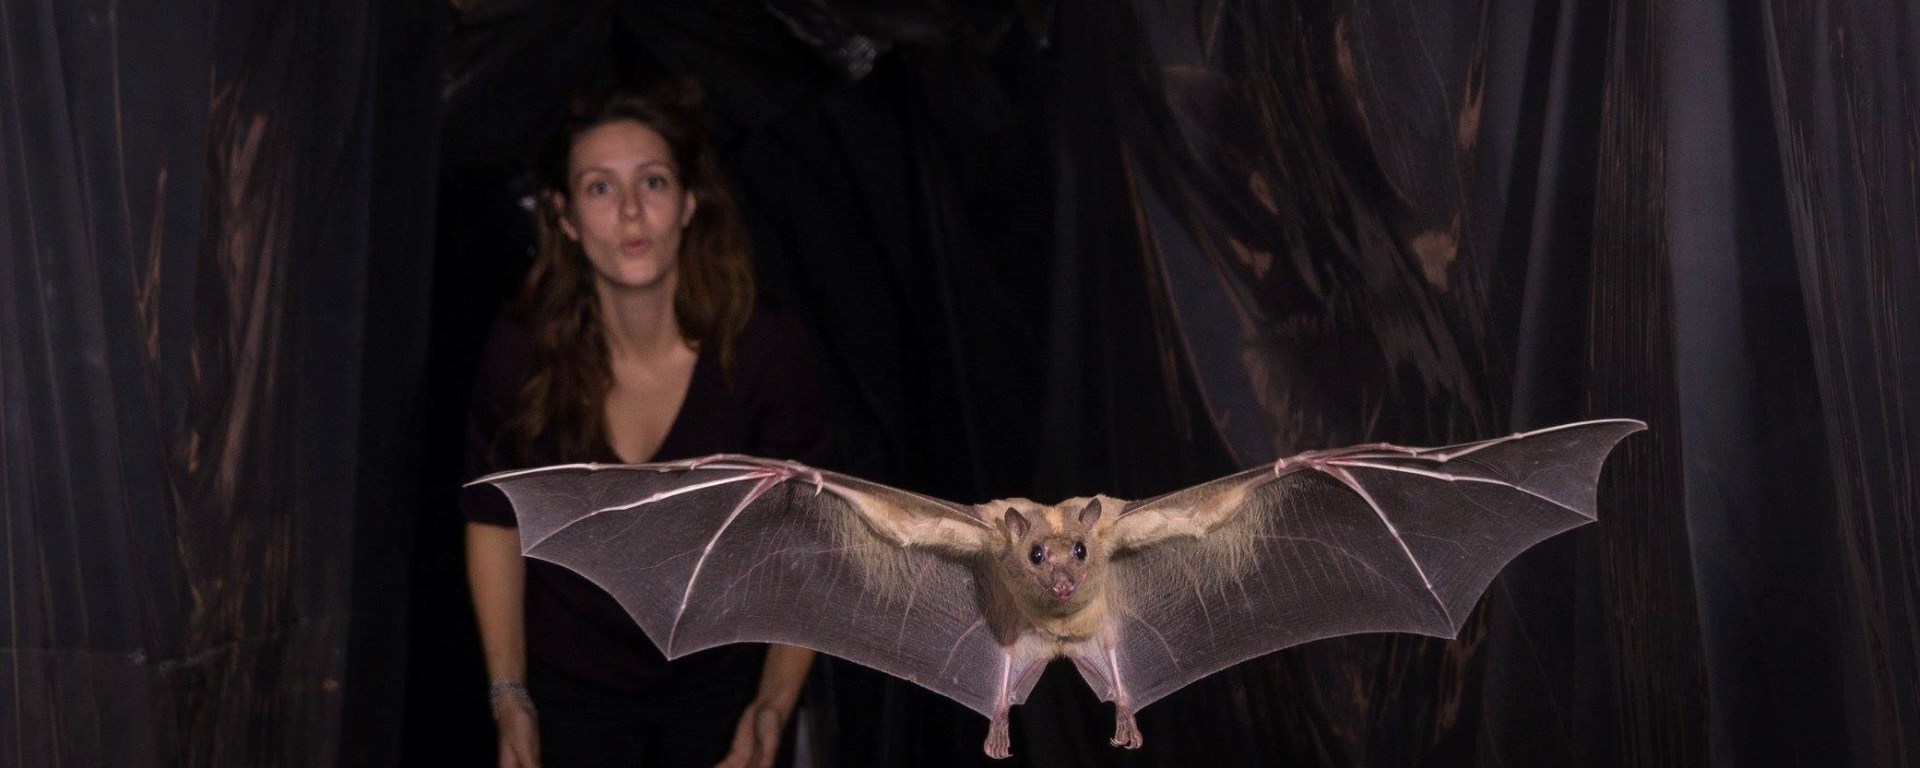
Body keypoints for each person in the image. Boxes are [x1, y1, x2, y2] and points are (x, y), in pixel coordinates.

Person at [462, 81, 832, 768]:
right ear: (565, 217)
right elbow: (494, 519)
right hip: (569, 685)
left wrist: (774, 704)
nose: (631, 211)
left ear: (690, 203)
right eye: (599, 189)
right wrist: (509, 695)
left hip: (724, 681)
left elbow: (804, 541)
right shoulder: (523, 352)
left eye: (653, 182)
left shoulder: (764, 350)